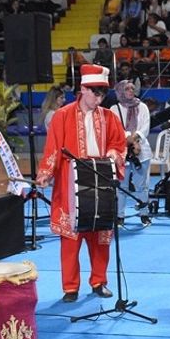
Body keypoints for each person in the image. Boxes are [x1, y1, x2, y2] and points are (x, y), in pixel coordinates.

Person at [38, 64, 128, 301]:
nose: (99, 98)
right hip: (71, 182)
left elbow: (119, 143)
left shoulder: (109, 117)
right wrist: (46, 173)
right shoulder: (62, 115)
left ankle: (99, 281)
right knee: (71, 239)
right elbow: (53, 148)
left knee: (100, 238)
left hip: (101, 179)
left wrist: (113, 154)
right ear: (83, 89)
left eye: (103, 93)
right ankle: (70, 287)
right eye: (95, 92)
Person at [111, 79, 152, 227]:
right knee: (122, 186)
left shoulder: (143, 106)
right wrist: (130, 140)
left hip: (142, 151)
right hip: (122, 151)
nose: (130, 91)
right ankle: (120, 216)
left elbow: (145, 127)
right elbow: (115, 129)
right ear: (120, 91)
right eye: (127, 89)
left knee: (142, 186)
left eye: (132, 88)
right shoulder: (114, 109)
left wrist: (136, 139)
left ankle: (144, 214)